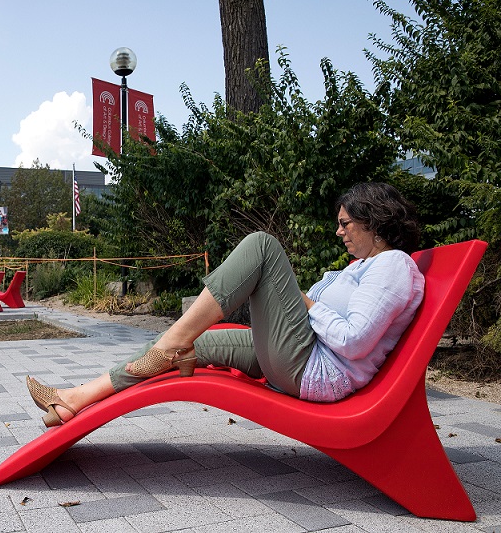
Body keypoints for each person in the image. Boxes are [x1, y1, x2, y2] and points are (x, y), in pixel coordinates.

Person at [26, 182, 425, 427]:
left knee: (262, 246)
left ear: (374, 221)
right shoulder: (365, 265)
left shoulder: (394, 266)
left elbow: (354, 340)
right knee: (187, 347)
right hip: (303, 356)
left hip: (315, 369)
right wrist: (304, 304)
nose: (338, 231)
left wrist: (304, 302)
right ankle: (77, 398)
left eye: (346, 223)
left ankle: (170, 339)